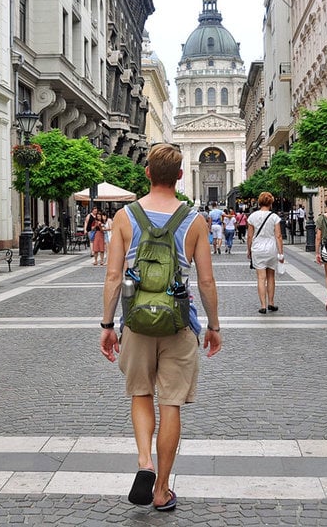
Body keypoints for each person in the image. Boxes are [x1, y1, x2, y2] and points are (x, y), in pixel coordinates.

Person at [100, 143, 222, 513]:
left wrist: (108, 324)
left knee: (140, 394)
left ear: (148, 173)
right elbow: (206, 281)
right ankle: (162, 490)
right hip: (178, 322)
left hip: (137, 322)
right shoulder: (195, 220)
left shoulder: (125, 217)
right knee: (171, 403)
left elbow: (113, 276)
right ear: (181, 176)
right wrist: (213, 325)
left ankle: (144, 463)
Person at [247, 191, 284, 314]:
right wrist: (281, 253)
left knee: (261, 278)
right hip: (271, 248)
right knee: (271, 277)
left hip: (257, 248)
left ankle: (262, 305)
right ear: (271, 203)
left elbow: (250, 236)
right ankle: (271, 303)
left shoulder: (252, 216)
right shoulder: (274, 217)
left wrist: (248, 250)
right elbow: (278, 236)